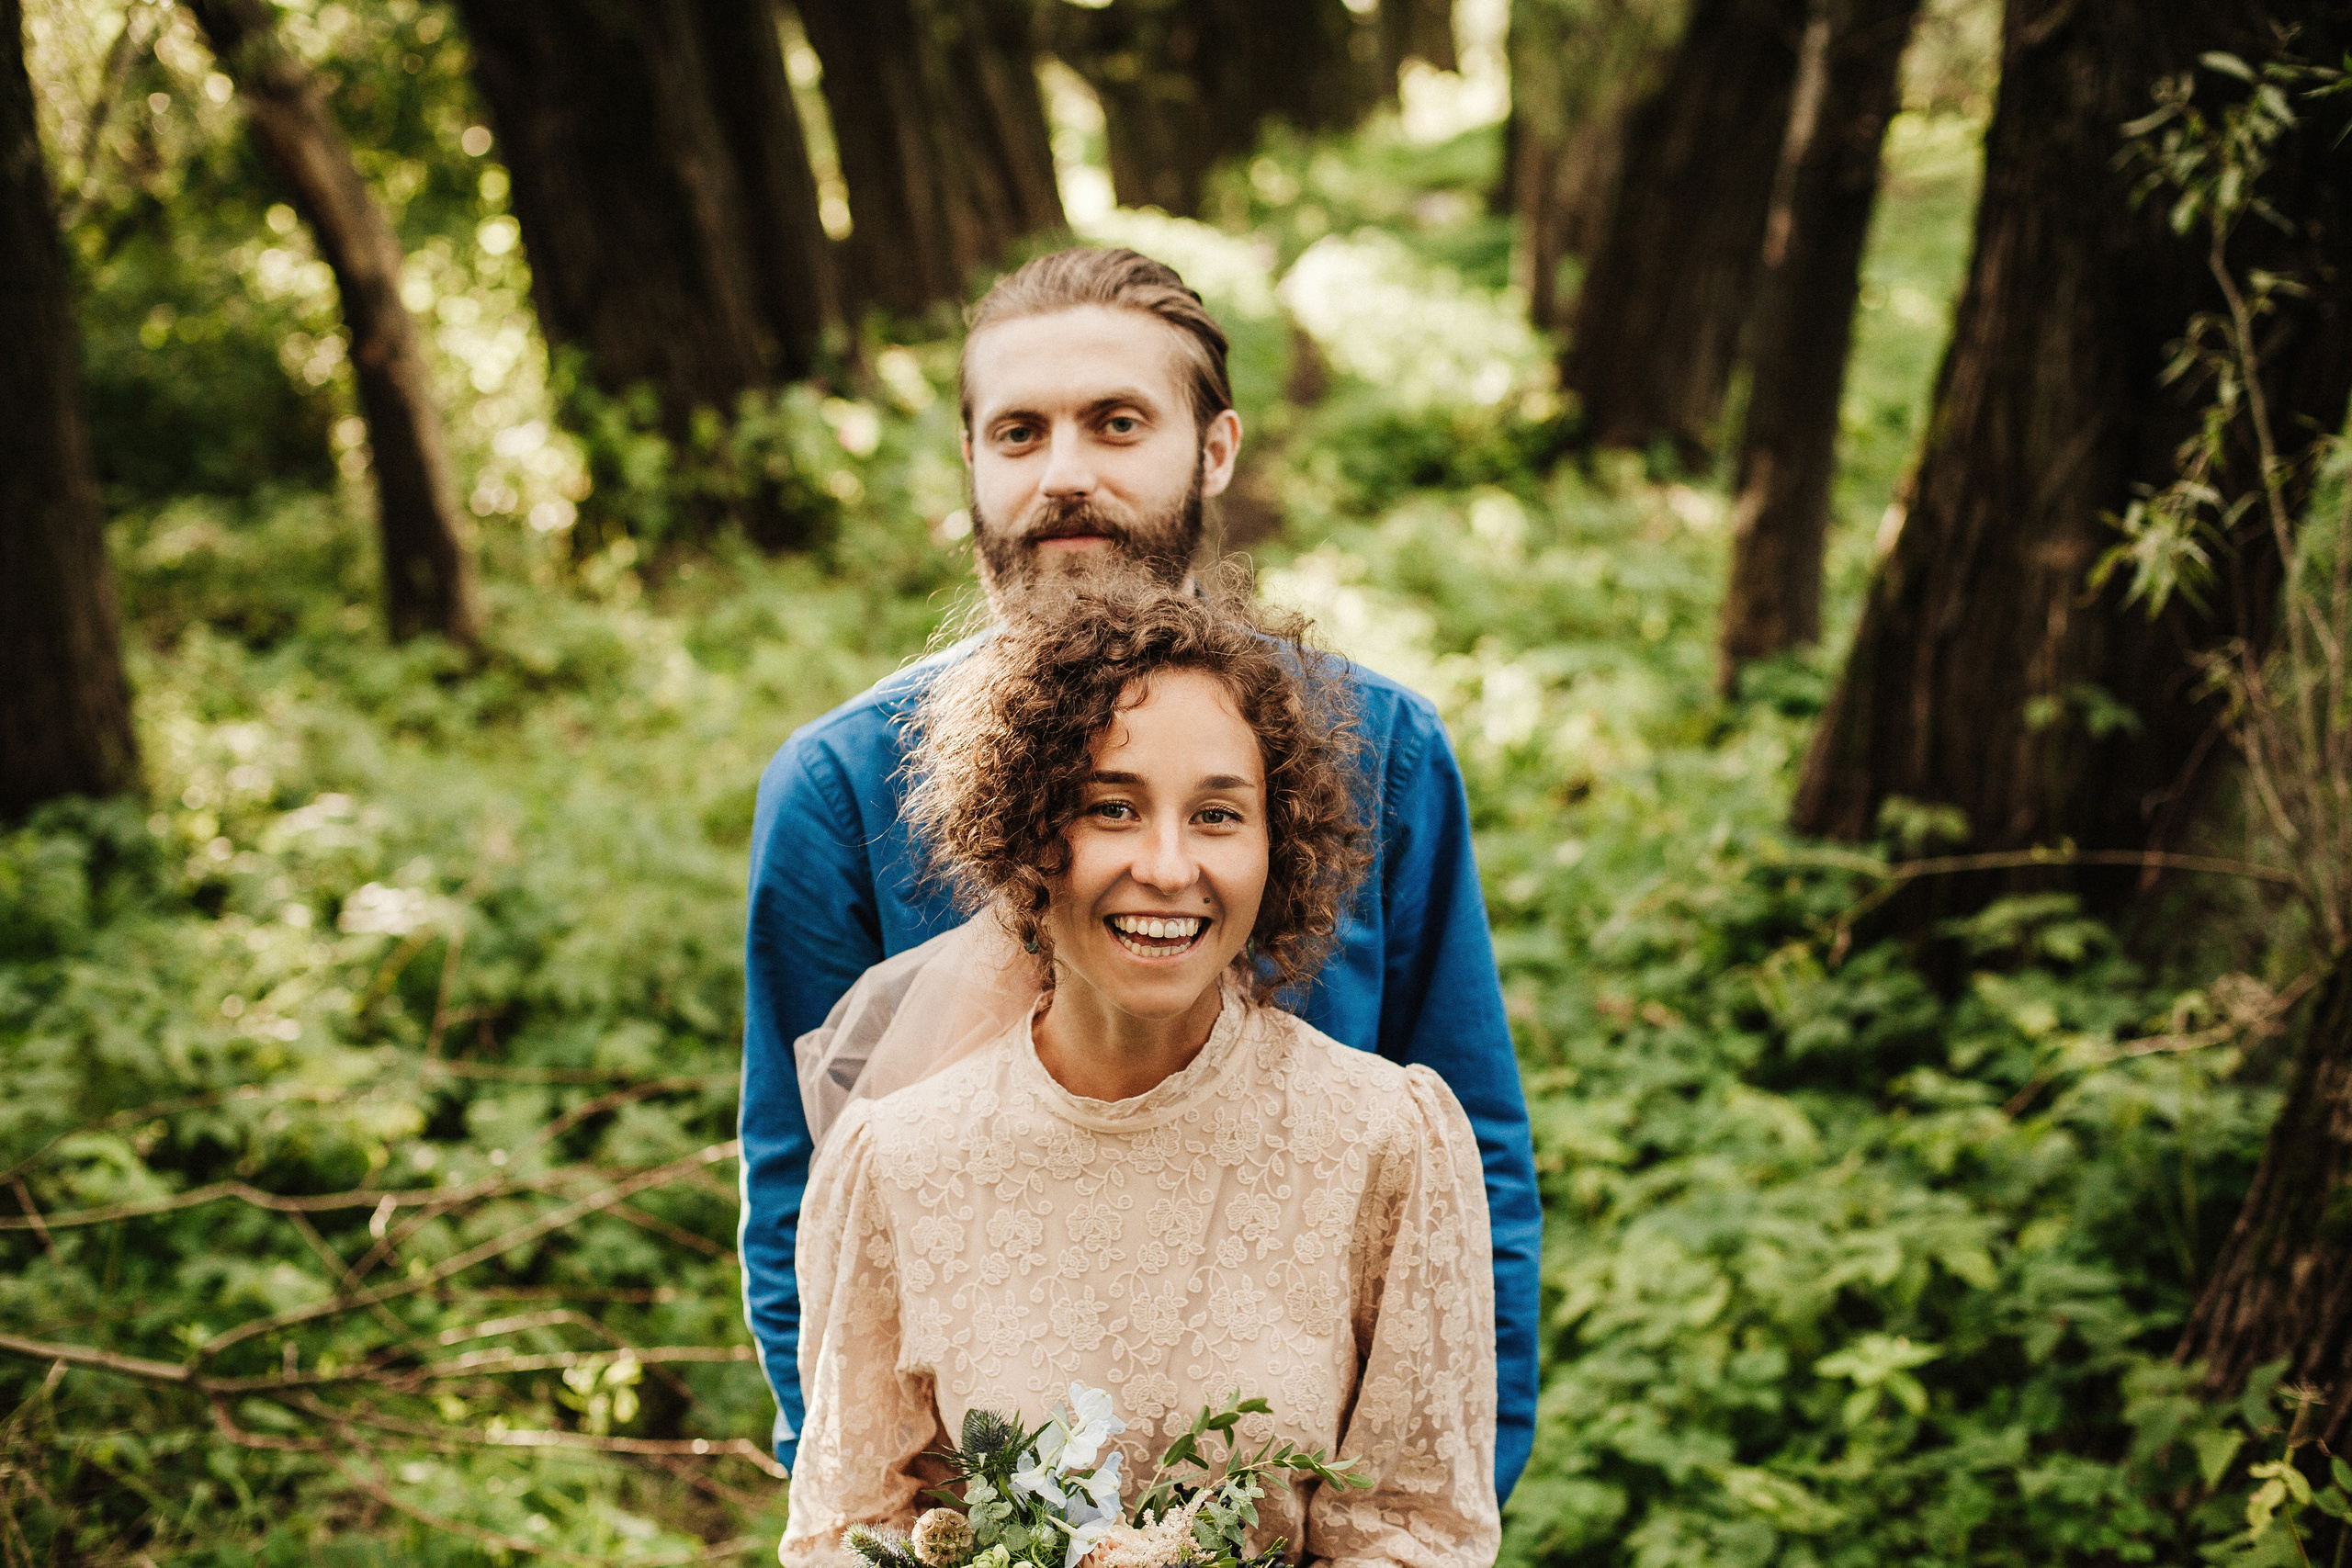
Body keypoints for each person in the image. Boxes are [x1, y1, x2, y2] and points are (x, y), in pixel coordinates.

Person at [740, 247, 1540, 1498]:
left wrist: (1438, 1490)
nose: (1066, 473)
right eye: (1019, 430)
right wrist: (899, 1512)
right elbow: (809, 1215)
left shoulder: (1380, 751)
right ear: (970, 463)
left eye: (1117, 422)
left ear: (1214, 449)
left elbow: (1472, 1165)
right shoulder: (839, 790)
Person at [780, 579, 1498, 1567]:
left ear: (1274, 844)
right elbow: (848, 1535)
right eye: (1111, 809)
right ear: (1025, 832)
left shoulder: (1386, 1140)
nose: (1167, 865)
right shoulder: (897, 1163)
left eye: (1217, 815)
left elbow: (1421, 1531)